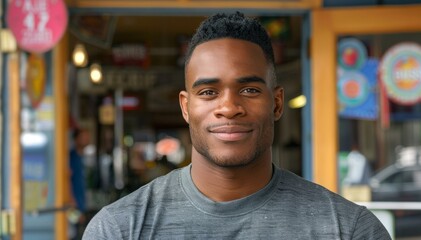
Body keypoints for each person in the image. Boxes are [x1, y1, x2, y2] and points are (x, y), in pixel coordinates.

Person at [83, 12, 391, 239]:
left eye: (249, 90)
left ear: (277, 103)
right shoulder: (119, 229)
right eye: (208, 92)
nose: (229, 107)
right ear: (186, 107)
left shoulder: (349, 230)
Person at [69, 128, 90, 239]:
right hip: (73, 206)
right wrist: (73, 204)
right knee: (74, 234)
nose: (87, 139)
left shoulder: (81, 158)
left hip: (80, 204)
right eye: (83, 137)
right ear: (76, 139)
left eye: (87, 136)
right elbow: (66, 181)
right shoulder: (72, 158)